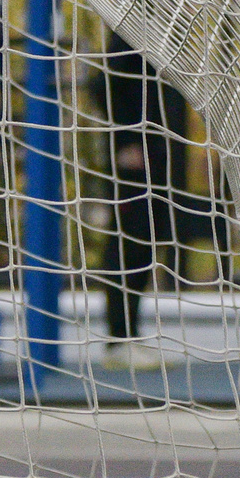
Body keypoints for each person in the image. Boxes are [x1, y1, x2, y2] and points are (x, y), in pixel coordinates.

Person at [89, 32, 193, 369]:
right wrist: (127, 140)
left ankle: (130, 334)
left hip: (157, 154)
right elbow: (103, 85)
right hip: (134, 159)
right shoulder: (130, 29)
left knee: (146, 243)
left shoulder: (164, 28)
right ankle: (118, 339)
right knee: (128, 243)